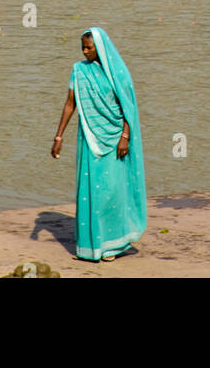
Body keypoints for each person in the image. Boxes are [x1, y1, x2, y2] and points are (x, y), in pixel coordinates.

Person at [51, 28, 146, 262]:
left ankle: (113, 245)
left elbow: (128, 107)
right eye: (82, 47)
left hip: (114, 140)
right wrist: (58, 136)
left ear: (100, 48)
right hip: (89, 137)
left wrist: (125, 136)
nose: (84, 52)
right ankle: (92, 246)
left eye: (89, 48)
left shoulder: (118, 74)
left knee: (112, 191)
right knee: (91, 190)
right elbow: (70, 104)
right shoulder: (79, 70)